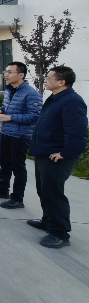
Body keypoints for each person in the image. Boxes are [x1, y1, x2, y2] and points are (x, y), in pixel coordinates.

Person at [27, 66, 88, 248]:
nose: (45, 80)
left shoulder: (72, 101)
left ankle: (59, 233)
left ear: (61, 82)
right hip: (45, 153)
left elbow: (77, 132)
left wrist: (66, 153)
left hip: (57, 156)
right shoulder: (56, 98)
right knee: (44, 191)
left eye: (49, 77)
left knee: (54, 194)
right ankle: (48, 221)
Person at [0, 62, 42, 209]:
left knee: (18, 167)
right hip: (6, 132)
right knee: (4, 163)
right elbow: (7, 107)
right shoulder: (10, 90)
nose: (6, 74)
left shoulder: (31, 93)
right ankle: (3, 190)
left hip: (20, 135)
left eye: (10, 72)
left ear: (21, 75)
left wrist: (10, 117)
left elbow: (34, 116)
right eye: (6, 72)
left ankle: (17, 198)